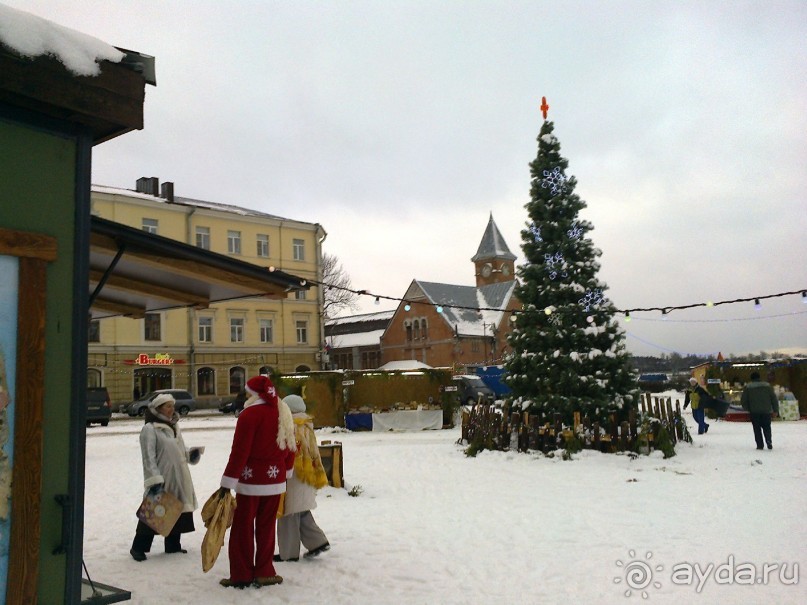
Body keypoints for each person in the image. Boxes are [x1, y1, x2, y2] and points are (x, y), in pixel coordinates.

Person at [218, 375, 296, 589]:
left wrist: (228, 481)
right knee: (267, 526)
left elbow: (240, 452)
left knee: (243, 527)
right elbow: (290, 445)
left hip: (251, 480)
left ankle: (241, 573)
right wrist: (286, 471)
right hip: (275, 479)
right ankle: (264, 571)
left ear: (252, 393)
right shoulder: (283, 411)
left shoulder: (249, 415)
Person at [130, 393, 199, 561]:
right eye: (168, 406)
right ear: (158, 409)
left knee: (178, 510)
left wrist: (191, 454)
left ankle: (173, 545)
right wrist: (154, 479)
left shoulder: (174, 426)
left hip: (179, 476)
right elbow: (148, 457)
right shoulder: (150, 429)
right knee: (153, 514)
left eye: (172, 406)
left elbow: (180, 448)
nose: (171, 409)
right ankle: (138, 548)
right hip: (162, 476)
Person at [275, 395, 330, 562]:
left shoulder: (290, 426)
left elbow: (285, 450)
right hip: (308, 475)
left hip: (293, 476)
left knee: (287, 514)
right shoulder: (307, 424)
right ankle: (317, 542)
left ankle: (288, 554)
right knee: (301, 511)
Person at [741, 371, 779, 450]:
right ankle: (768, 441)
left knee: (757, 428)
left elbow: (744, 400)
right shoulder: (767, 386)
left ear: (751, 378)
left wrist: (748, 408)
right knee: (767, 427)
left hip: (754, 411)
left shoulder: (748, 387)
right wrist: (775, 410)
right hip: (766, 411)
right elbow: (773, 398)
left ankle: (760, 445)